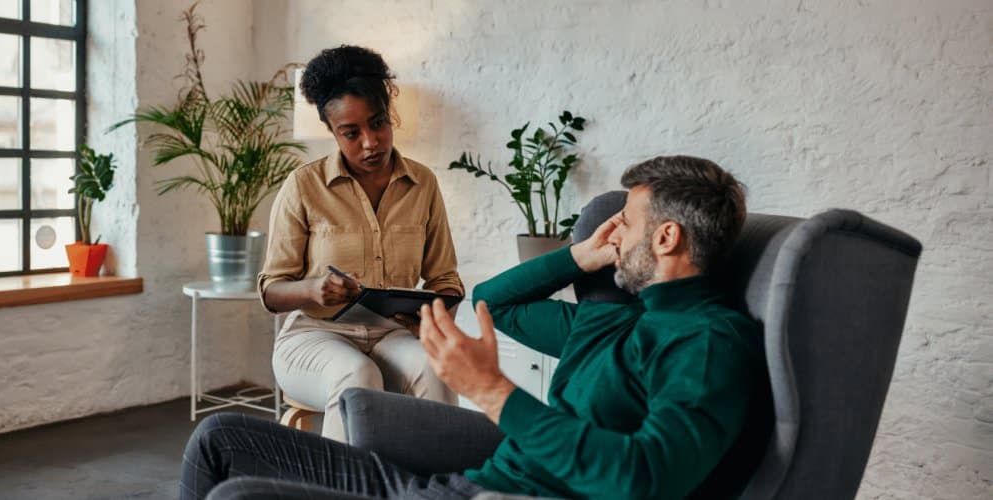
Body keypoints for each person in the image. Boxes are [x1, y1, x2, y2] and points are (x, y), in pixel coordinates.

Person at [183, 155, 770, 500]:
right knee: (223, 438)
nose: (613, 233)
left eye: (627, 223)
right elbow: (494, 303)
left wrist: (493, 391)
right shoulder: (612, 314)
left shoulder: (706, 343)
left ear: (667, 239)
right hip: (462, 486)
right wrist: (578, 257)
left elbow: (645, 476)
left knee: (239, 497)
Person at [257, 45, 464, 442]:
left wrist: (434, 311)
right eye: (351, 133)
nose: (370, 142)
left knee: (436, 368)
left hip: (393, 336)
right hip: (315, 337)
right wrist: (313, 289)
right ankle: (343, 486)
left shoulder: (424, 184)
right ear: (333, 132)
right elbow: (271, 290)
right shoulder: (303, 185)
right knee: (357, 374)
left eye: (378, 123)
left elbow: (445, 279)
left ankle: (434, 486)